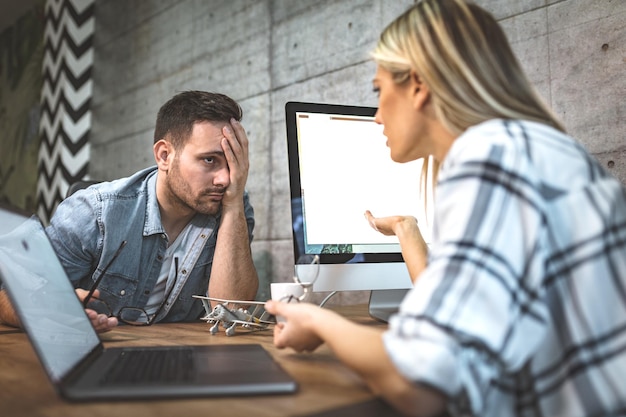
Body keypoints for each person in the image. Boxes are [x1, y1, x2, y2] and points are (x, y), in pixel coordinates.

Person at [264, 1, 626, 416]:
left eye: (379, 92)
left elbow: (419, 382)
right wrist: (405, 228)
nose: (378, 115)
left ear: (417, 84)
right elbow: (457, 319)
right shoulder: (535, 149)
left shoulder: (489, 162)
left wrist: (318, 322)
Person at [0, 90, 259, 333]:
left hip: (184, 358)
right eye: (209, 160)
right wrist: (52, 308)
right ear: (164, 155)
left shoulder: (231, 204)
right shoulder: (94, 212)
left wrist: (234, 205)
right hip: (101, 359)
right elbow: (8, 295)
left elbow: (231, 311)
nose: (225, 179)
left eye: (233, 164)